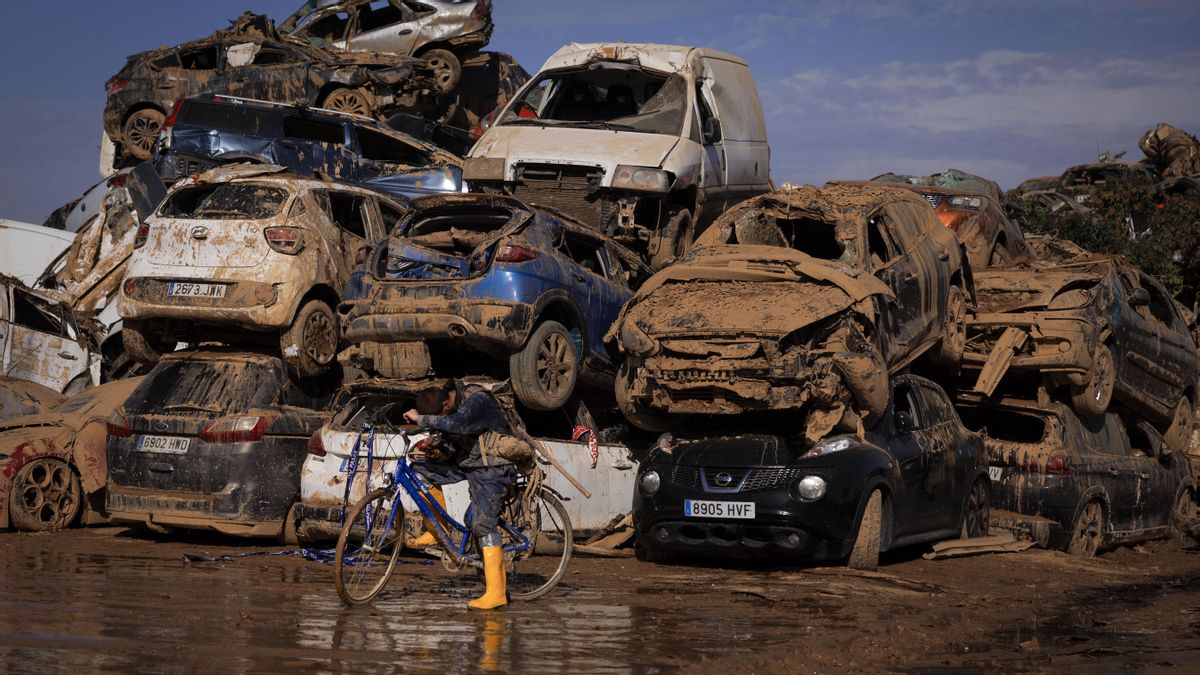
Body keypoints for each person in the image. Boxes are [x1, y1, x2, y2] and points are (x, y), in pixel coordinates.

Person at [403, 379, 517, 610]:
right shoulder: (451, 408)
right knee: (420, 469)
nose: (440, 421)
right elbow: (454, 440)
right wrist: (436, 447)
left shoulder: (477, 400)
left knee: (482, 524)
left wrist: (421, 420)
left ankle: (497, 594)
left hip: (492, 466)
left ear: (446, 402)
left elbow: (457, 424)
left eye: (439, 416)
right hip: (470, 462)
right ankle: (438, 530)